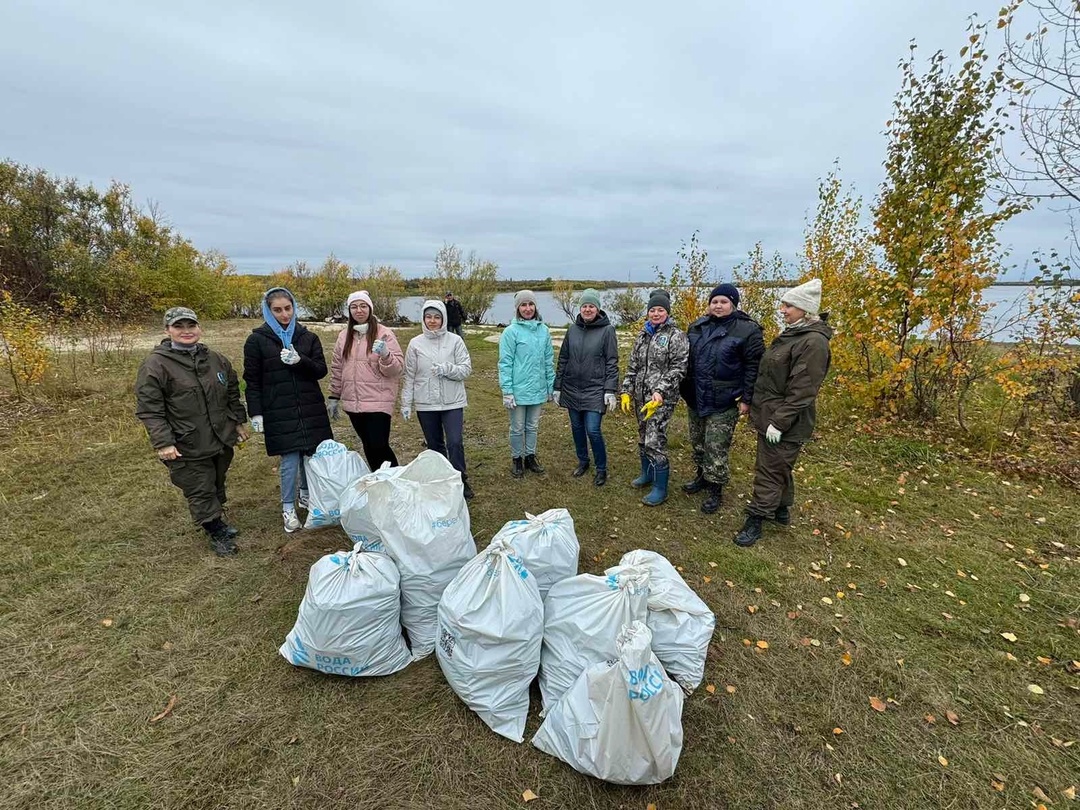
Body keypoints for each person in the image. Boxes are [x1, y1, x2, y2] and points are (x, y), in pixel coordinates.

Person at [135, 307, 249, 556]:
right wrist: (164, 442)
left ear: (199, 328)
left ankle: (217, 518)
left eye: (191, 326)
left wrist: (237, 422)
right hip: (186, 441)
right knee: (199, 487)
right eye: (179, 327)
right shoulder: (156, 365)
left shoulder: (215, 359)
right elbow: (150, 409)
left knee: (217, 479)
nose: (186, 331)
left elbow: (231, 391)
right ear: (167, 330)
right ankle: (215, 530)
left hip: (219, 437)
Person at [735, 278, 832, 548]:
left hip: (785, 421)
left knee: (769, 469)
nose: (783, 309)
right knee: (779, 465)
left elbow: (803, 390)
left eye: (788, 305)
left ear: (805, 309)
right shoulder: (793, 334)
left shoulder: (813, 343)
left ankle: (755, 518)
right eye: (783, 304)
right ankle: (781, 509)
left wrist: (779, 422)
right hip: (771, 414)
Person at [243, 287, 334, 533]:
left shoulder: (307, 337)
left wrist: (300, 360)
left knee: (311, 455)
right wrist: (256, 413)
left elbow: (320, 370)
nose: (284, 314)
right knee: (290, 459)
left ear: (294, 308)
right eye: (277, 310)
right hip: (278, 408)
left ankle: (306, 495)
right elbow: (252, 380)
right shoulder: (257, 341)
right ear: (268, 311)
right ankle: (288, 507)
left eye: (288, 308)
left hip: (309, 406)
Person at [680, 283, 765, 514]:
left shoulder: (747, 330)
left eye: (724, 301)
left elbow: (753, 368)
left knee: (716, 446)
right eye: (714, 301)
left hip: (724, 399)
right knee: (698, 442)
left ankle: (715, 489)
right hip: (695, 396)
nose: (718, 305)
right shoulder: (697, 326)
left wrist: (747, 399)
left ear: (733, 304)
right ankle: (701, 477)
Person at [620, 289, 690, 506]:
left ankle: (661, 488)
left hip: (662, 399)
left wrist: (660, 391)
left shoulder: (676, 336)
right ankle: (647, 473)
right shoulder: (643, 335)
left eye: (660, 310)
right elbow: (633, 366)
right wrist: (626, 391)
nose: (656, 313)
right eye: (652, 310)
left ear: (667, 312)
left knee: (654, 440)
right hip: (641, 398)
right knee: (642, 436)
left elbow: (679, 368)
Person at [401, 300, 475, 499]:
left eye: (436, 317)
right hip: (426, 403)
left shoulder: (455, 341)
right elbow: (409, 375)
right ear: (423, 319)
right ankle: (443, 480)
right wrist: (406, 403)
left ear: (443, 318)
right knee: (435, 444)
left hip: (452, 402)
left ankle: (460, 479)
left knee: (455, 442)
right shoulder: (415, 343)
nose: (432, 321)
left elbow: (466, 369)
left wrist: (447, 369)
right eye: (428, 317)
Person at [327, 290, 403, 470]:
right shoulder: (343, 336)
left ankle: (394, 481)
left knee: (379, 445)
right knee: (368, 445)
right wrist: (334, 396)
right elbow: (338, 367)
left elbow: (396, 370)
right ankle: (379, 480)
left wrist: (386, 355)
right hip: (354, 403)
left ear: (370, 308)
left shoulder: (384, 334)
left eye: (363, 306)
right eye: (354, 307)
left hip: (378, 400)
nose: (358, 310)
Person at [553, 288, 619, 487]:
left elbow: (612, 361)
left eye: (591, 306)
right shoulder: (572, 330)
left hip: (595, 389)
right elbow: (563, 358)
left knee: (593, 430)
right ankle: (583, 461)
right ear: (580, 309)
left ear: (597, 309)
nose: (587, 309)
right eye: (584, 306)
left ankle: (601, 468)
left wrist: (610, 390)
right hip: (572, 388)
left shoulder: (607, 330)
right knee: (577, 428)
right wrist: (558, 386)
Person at [499, 290, 555, 479]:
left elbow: (548, 360)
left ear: (535, 306)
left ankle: (530, 456)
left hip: (538, 389)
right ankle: (517, 458)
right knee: (517, 427)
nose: (528, 309)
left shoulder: (544, 330)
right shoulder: (510, 332)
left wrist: (550, 386)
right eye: (523, 305)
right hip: (518, 390)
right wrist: (507, 390)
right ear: (517, 308)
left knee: (532, 426)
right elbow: (505, 363)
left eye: (530, 304)